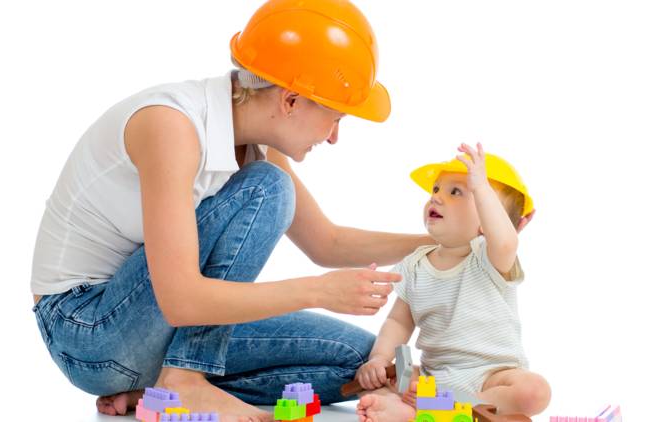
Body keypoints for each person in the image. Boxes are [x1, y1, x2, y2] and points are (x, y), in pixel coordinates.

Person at [29, 1, 438, 421]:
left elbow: (327, 242)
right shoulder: (173, 127)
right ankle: (184, 380)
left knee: (360, 360)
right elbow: (181, 300)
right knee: (269, 187)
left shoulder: (254, 143)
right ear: (292, 100)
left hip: (152, 330)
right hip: (86, 331)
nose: (334, 137)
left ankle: (156, 389)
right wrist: (318, 291)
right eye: (334, 117)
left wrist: (440, 242)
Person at [354, 143, 548, 422]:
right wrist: (379, 359)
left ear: (489, 221)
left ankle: (442, 408)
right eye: (436, 189)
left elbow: (505, 241)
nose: (437, 198)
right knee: (376, 382)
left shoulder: (489, 259)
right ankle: (429, 409)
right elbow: (398, 322)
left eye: (456, 192)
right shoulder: (415, 264)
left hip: (493, 377)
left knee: (535, 391)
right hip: (437, 376)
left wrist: (480, 187)